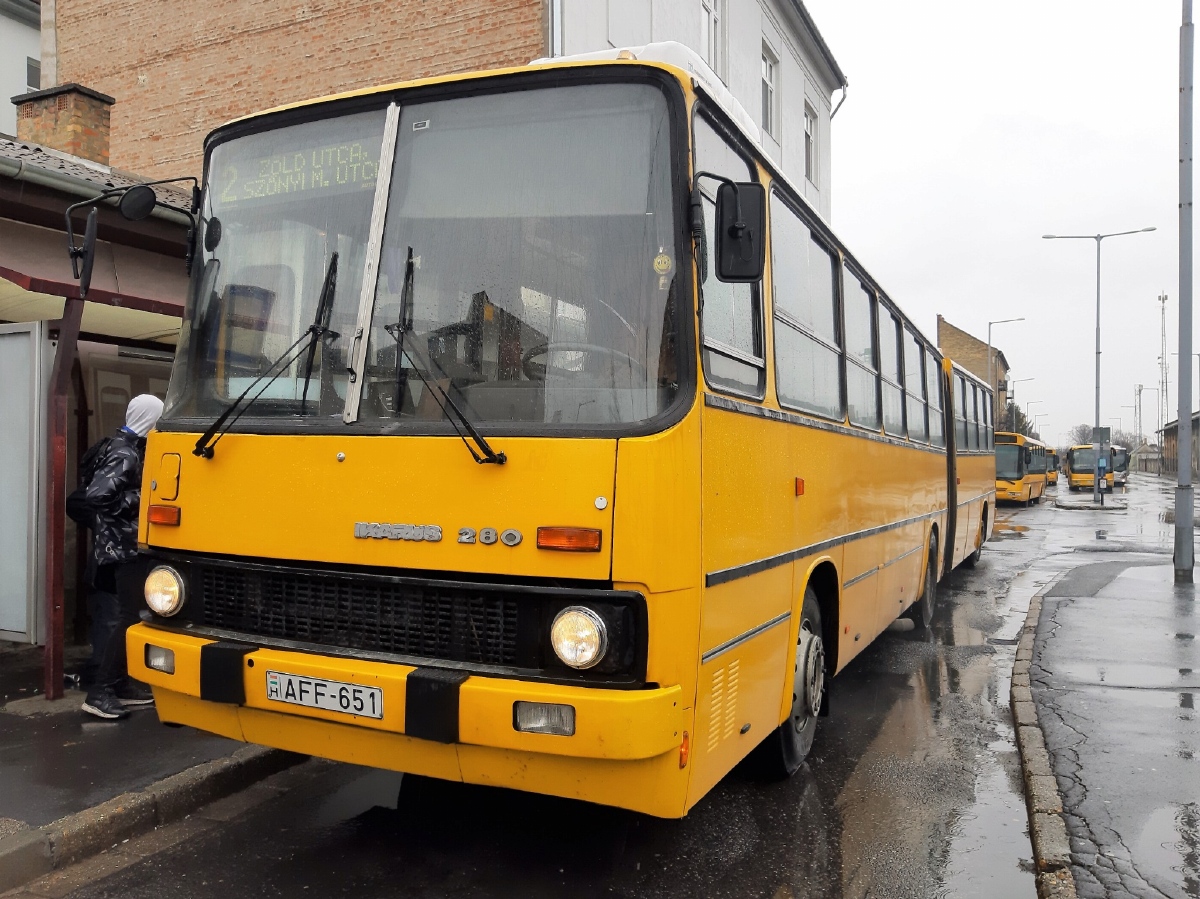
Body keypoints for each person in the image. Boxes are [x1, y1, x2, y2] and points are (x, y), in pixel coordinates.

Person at [79, 394, 164, 720]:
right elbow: (98, 495)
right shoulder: (125, 453)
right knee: (131, 617)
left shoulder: (126, 448)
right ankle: (100, 692)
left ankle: (118, 686)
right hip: (123, 549)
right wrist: (146, 496)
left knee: (134, 616)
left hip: (124, 547)